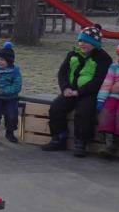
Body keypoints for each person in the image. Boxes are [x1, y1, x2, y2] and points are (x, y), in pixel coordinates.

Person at [41, 25, 112, 157]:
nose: (82, 44)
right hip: (70, 91)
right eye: (80, 41)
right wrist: (66, 88)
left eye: (86, 42)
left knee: (84, 111)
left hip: (90, 93)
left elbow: (99, 80)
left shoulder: (103, 58)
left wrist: (79, 92)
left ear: (94, 43)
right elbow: (62, 73)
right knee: (56, 107)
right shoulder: (72, 54)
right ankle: (59, 138)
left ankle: (81, 142)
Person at [96, 38, 119, 157]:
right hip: (112, 95)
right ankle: (107, 142)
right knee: (106, 112)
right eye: (118, 55)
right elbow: (107, 83)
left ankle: (116, 142)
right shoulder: (114, 67)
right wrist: (101, 100)